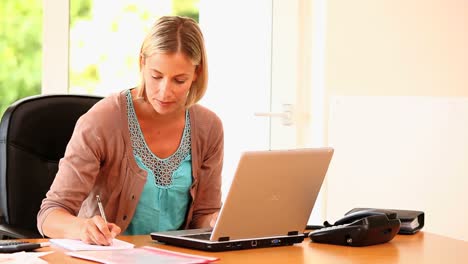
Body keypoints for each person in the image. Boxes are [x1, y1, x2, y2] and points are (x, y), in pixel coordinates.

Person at [37, 15, 223, 246]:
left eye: (179, 80)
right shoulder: (102, 121)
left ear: (196, 73)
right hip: (110, 257)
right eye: (156, 76)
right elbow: (50, 215)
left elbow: (203, 216)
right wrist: (82, 227)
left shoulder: (208, 127)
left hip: (177, 258)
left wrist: (217, 220)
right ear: (142, 63)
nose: (165, 92)